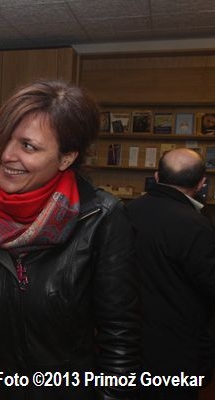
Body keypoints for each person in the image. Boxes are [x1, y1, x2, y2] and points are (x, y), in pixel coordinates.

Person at [0, 80, 141, 400]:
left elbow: (120, 339)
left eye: (28, 147)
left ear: (66, 158)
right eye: (5, 139)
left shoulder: (100, 218)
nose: (6, 155)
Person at [127, 148, 215, 400]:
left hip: (126, 338)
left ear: (156, 177)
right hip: (178, 347)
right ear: (201, 183)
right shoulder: (197, 225)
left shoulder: (126, 211)